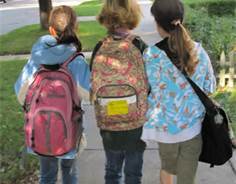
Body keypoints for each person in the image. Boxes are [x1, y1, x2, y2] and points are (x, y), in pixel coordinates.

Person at [141, 0, 216, 184]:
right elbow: (210, 88)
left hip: (165, 131)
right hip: (193, 129)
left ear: (158, 24)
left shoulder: (151, 55)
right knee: (187, 176)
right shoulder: (198, 51)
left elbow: (147, 89)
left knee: (167, 168)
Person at [14, 5, 90, 184]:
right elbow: (89, 94)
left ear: (50, 29)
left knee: (46, 175)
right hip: (69, 131)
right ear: (75, 28)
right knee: (69, 173)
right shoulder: (76, 60)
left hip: (41, 131)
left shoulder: (36, 59)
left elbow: (20, 94)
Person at [90, 0, 148, 183]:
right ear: (133, 15)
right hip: (134, 122)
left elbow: (91, 82)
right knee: (133, 172)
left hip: (109, 122)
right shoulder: (138, 46)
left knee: (112, 170)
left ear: (105, 17)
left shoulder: (100, 47)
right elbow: (151, 81)